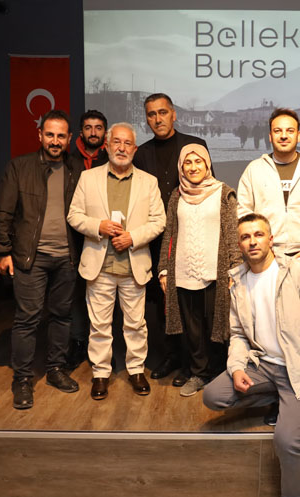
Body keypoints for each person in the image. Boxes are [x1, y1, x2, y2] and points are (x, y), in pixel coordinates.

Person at [203, 213, 300, 497]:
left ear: (270, 239)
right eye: (245, 237)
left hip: (299, 370)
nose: (252, 241)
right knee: (213, 396)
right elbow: (238, 334)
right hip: (263, 366)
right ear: (239, 245)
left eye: (258, 235)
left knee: (286, 441)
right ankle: (282, 400)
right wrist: (237, 368)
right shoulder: (238, 280)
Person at [68, 122, 165, 398]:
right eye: (117, 142)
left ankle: (136, 370)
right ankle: (100, 373)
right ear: (107, 145)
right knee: (99, 325)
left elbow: (159, 221)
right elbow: (74, 215)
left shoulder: (148, 182)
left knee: (136, 324)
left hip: (134, 265)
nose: (122, 148)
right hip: (99, 266)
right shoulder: (88, 178)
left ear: (135, 149)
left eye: (127, 143)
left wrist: (133, 237)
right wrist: (98, 226)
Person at [0, 109, 83, 410]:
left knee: (61, 316)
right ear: (40, 135)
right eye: (50, 135)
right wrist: (2, 252)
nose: (55, 141)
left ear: (69, 139)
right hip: (30, 259)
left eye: (61, 136)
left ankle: (56, 369)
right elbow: (3, 213)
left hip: (67, 258)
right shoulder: (20, 167)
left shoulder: (76, 170)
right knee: (27, 320)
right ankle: (22, 379)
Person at [133, 93, 207, 386]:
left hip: (190, 236)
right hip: (154, 240)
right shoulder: (141, 154)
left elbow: (205, 186)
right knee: (163, 302)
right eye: (151, 114)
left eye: (162, 112)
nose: (157, 119)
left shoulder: (194, 145)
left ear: (174, 114)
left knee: (190, 301)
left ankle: (192, 361)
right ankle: (171, 356)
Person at [158, 144, 242, 397]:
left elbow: (232, 234)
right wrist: (164, 269)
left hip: (216, 274)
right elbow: (169, 234)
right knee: (192, 330)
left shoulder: (224, 193)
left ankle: (220, 373)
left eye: (198, 162)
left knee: (218, 327)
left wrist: (235, 269)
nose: (193, 167)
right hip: (183, 273)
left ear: (208, 165)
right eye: (188, 162)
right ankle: (199, 373)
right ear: (181, 167)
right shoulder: (176, 196)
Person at [237, 108, 300, 262]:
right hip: (263, 258)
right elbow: (243, 213)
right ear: (270, 136)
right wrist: (258, 247)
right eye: (277, 131)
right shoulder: (254, 169)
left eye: (290, 131)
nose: (283, 136)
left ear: (298, 136)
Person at [67, 109, 109, 369]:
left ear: (105, 132)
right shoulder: (68, 161)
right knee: (75, 296)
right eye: (88, 128)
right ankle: (78, 343)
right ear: (81, 132)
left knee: (105, 297)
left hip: (106, 239)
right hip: (74, 237)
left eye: (98, 128)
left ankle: (108, 348)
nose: (93, 132)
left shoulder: (113, 158)